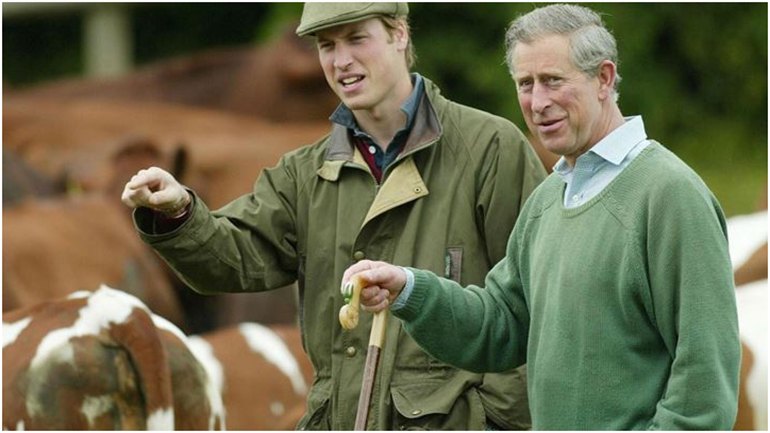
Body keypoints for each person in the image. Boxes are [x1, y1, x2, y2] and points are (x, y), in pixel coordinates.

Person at [121, 2, 546, 430]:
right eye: (327, 46)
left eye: (356, 39)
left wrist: (495, 421)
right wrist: (180, 212)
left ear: (400, 34)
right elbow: (233, 259)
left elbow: (537, 300)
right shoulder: (303, 173)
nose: (341, 61)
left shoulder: (491, 149)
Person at [344, 3, 741, 430]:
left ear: (604, 79)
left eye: (553, 80)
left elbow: (703, 386)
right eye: (525, 84)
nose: (537, 102)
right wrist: (408, 288)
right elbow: (500, 325)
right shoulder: (549, 198)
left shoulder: (670, 194)